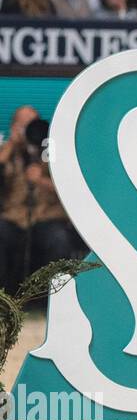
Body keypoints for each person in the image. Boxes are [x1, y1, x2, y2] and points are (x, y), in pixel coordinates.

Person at [0, 105, 80, 293]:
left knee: (59, 238)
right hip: (13, 220)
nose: (29, 128)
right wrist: (12, 144)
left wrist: (41, 180)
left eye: (33, 123)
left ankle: (54, 299)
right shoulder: (7, 151)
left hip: (47, 219)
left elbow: (71, 191)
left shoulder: (54, 153)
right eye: (24, 124)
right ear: (14, 127)